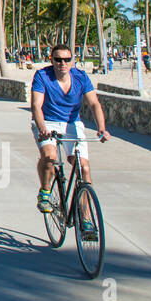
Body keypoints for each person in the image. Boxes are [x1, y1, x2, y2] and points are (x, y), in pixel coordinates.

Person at [31, 43, 111, 239]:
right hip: (47, 122)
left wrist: (101, 128)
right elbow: (36, 105)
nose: (62, 64)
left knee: (83, 168)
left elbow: (94, 103)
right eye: (58, 60)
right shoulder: (42, 76)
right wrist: (43, 130)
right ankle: (45, 192)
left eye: (67, 60)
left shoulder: (81, 77)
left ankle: (86, 219)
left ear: (72, 61)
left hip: (72, 123)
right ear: (52, 60)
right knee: (49, 156)